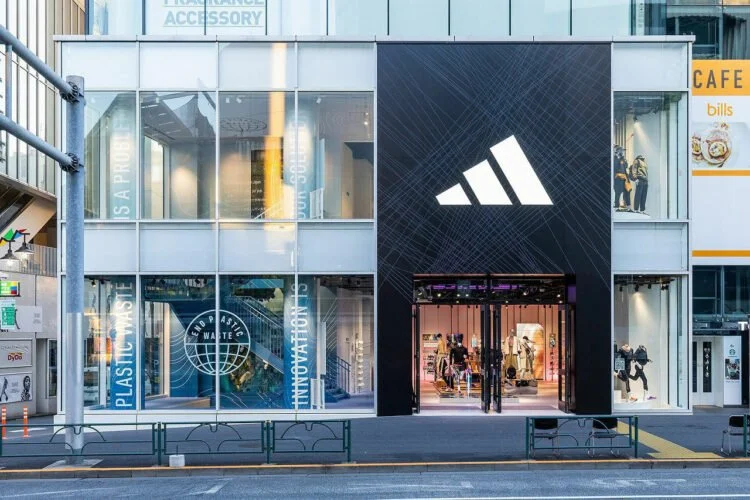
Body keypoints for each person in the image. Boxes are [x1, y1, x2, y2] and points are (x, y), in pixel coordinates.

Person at [613, 146, 631, 211]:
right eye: (621, 151)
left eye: (623, 151)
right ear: (618, 151)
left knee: (627, 192)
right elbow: (615, 167)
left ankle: (628, 208)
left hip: (625, 178)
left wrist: (623, 159)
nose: (622, 152)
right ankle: (616, 207)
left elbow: (626, 166)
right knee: (618, 193)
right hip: (618, 178)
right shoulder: (614, 158)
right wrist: (617, 157)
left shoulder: (622, 159)